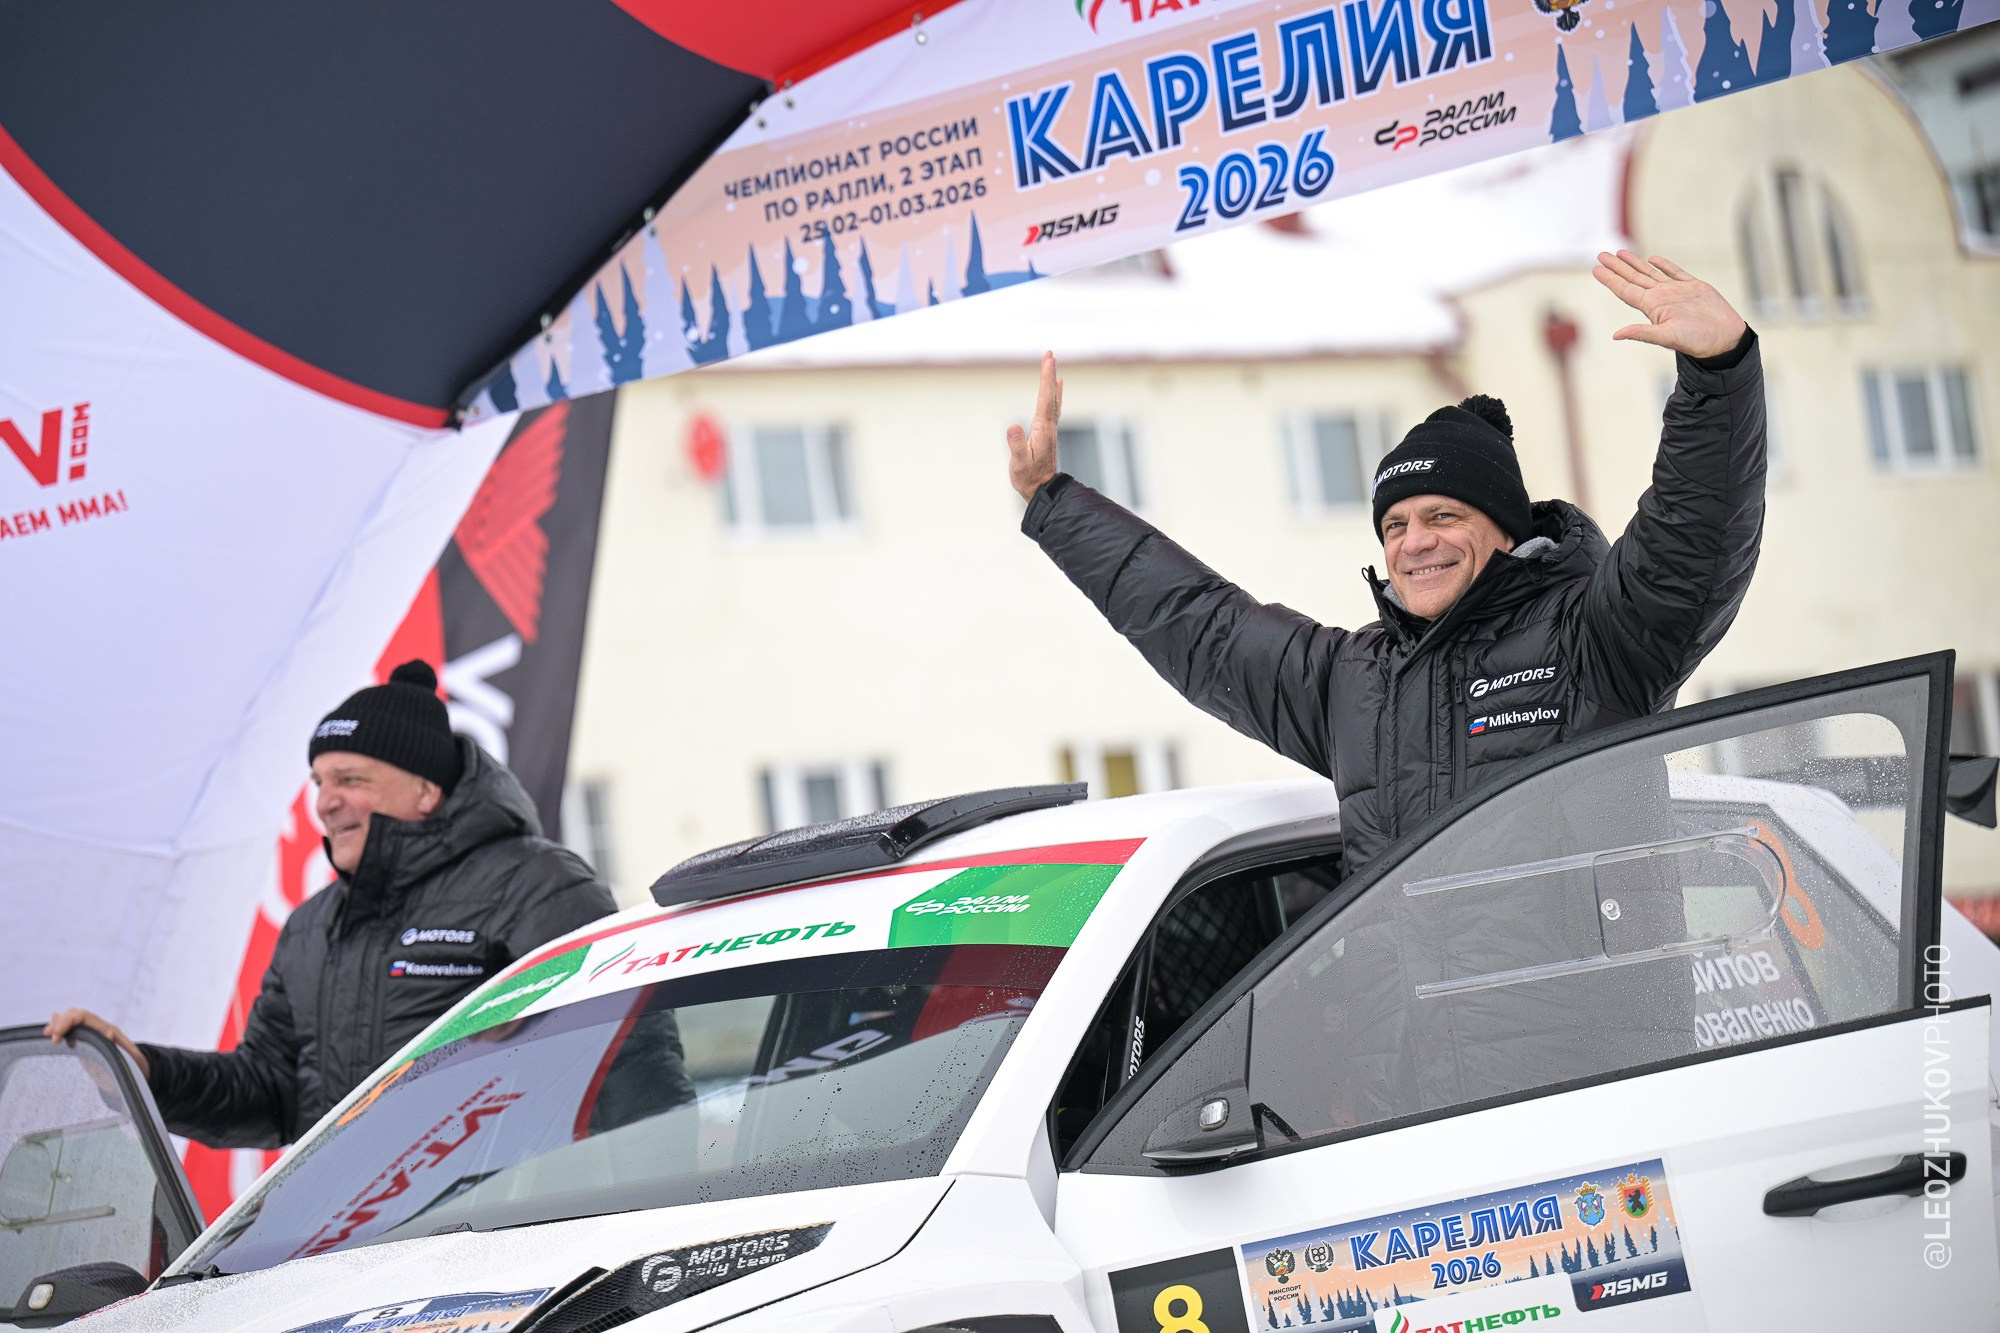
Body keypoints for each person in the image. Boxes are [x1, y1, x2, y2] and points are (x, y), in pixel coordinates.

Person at [1006, 250, 1764, 881]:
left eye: (1444, 516)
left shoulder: (1594, 637)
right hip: (1415, 1061)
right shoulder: (1354, 679)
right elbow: (1201, 626)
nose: (1414, 543)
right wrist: (1055, 504)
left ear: (1503, 530)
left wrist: (1721, 373)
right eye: (1395, 525)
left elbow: (1691, 542)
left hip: (1591, 1054)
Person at [45, 660, 640, 1148]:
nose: (325, 803)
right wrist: (145, 1074)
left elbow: (630, 1061)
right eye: (319, 782)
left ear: (425, 790)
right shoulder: (311, 928)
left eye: (350, 780)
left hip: (502, 1247)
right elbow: (269, 1090)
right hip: (345, 1250)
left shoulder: (537, 884)